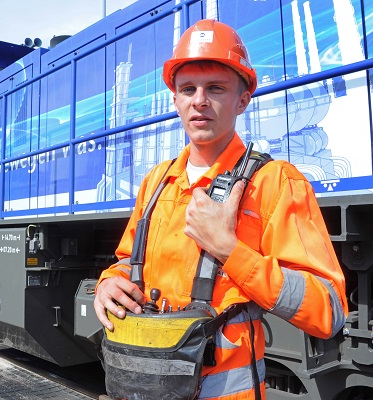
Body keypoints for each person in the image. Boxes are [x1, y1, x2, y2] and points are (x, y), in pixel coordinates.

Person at [94, 19, 348, 399]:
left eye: (215, 88)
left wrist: (230, 251)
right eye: (188, 89)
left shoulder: (276, 183)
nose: (199, 100)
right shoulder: (156, 182)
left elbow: (328, 310)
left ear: (242, 99)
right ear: (175, 99)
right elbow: (127, 262)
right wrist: (107, 283)